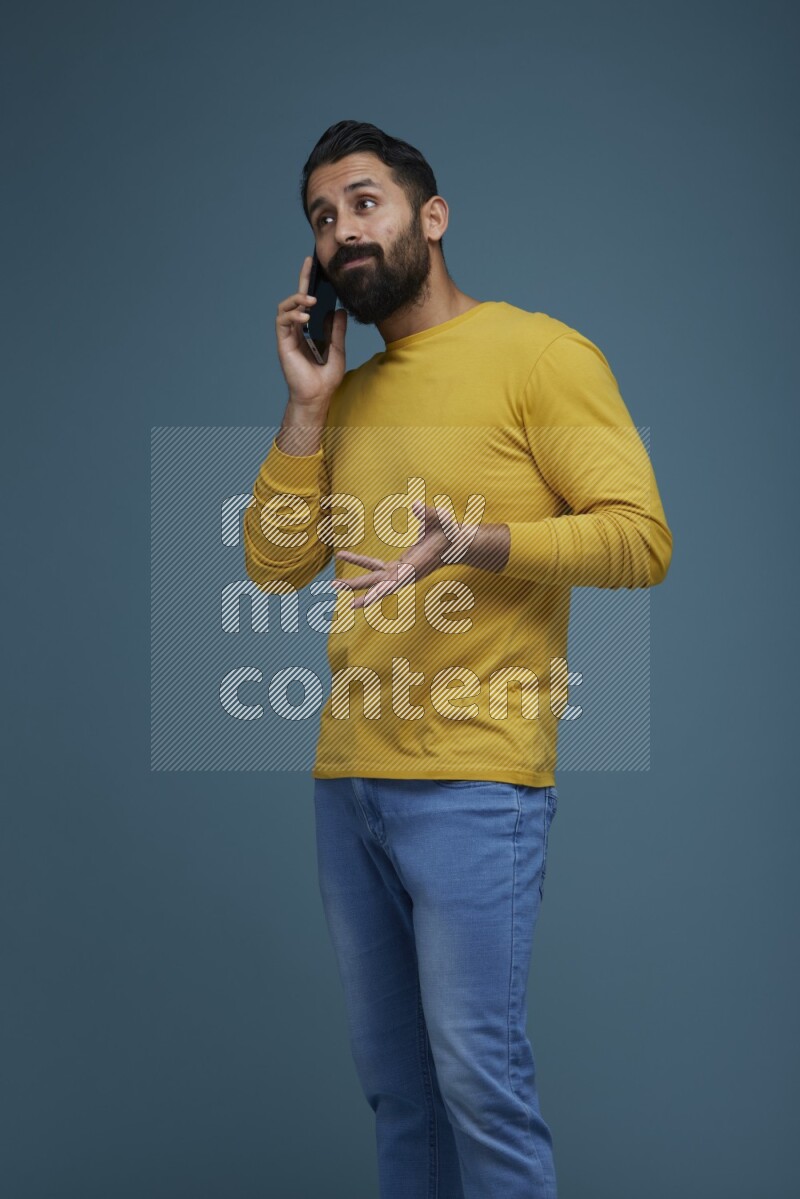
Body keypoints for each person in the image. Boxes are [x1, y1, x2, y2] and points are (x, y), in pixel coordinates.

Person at [243, 119, 673, 1199]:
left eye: (364, 201)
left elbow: (638, 536)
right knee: (398, 1091)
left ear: (431, 218)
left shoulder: (538, 353)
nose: (343, 229)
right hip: (349, 785)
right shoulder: (347, 392)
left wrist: (478, 540)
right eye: (322, 217)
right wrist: (304, 407)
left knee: (478, 1082)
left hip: (474, 782)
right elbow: (273, 565)